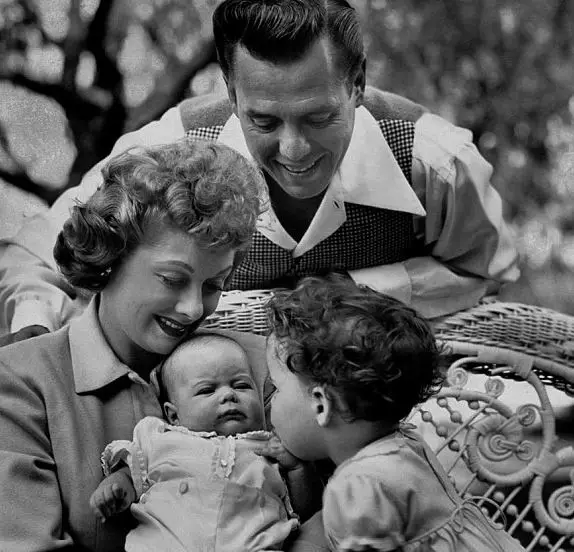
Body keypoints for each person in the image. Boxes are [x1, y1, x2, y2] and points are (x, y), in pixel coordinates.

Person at [0, 0, 519, 344]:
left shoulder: (435, 162)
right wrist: (34, 334)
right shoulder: (169, 149)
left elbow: (487, 270)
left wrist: (349, 292)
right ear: (230, 89)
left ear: (357, 85)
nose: (293, 150)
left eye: (319, 117)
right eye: (264, 120)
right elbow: (38, 252)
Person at [0, 139, 275, 552]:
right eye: (172, 279)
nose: (192, 308)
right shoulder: (21, 382)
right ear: (110, 255)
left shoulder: (263, 364)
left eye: (214, 285)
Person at [265, 275, 527, 551]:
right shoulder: (408, 445)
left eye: (277, 387)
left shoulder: (358, 485)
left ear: (321, 405)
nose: (271, 401)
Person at [90, 333, 310, 551]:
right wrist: (118, 487)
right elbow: (134, 471)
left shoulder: (271, 446)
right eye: (207, 390)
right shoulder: (162, 440)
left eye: (242, 385)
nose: (228, 395)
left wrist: (297, 470)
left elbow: (305, 510)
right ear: (174, 415)